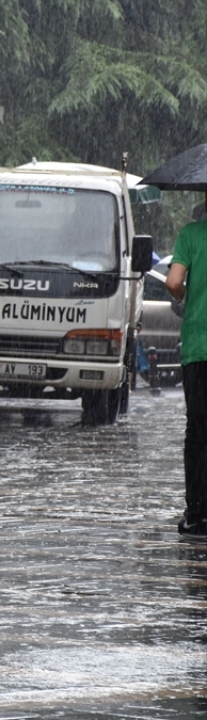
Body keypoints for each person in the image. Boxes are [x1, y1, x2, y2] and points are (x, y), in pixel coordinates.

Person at [164, 203, 207, 539]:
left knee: (197, 430)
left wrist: (187, 296)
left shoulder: (191, 235)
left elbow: (173, 281)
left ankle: (196, 514)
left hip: (198, 346)